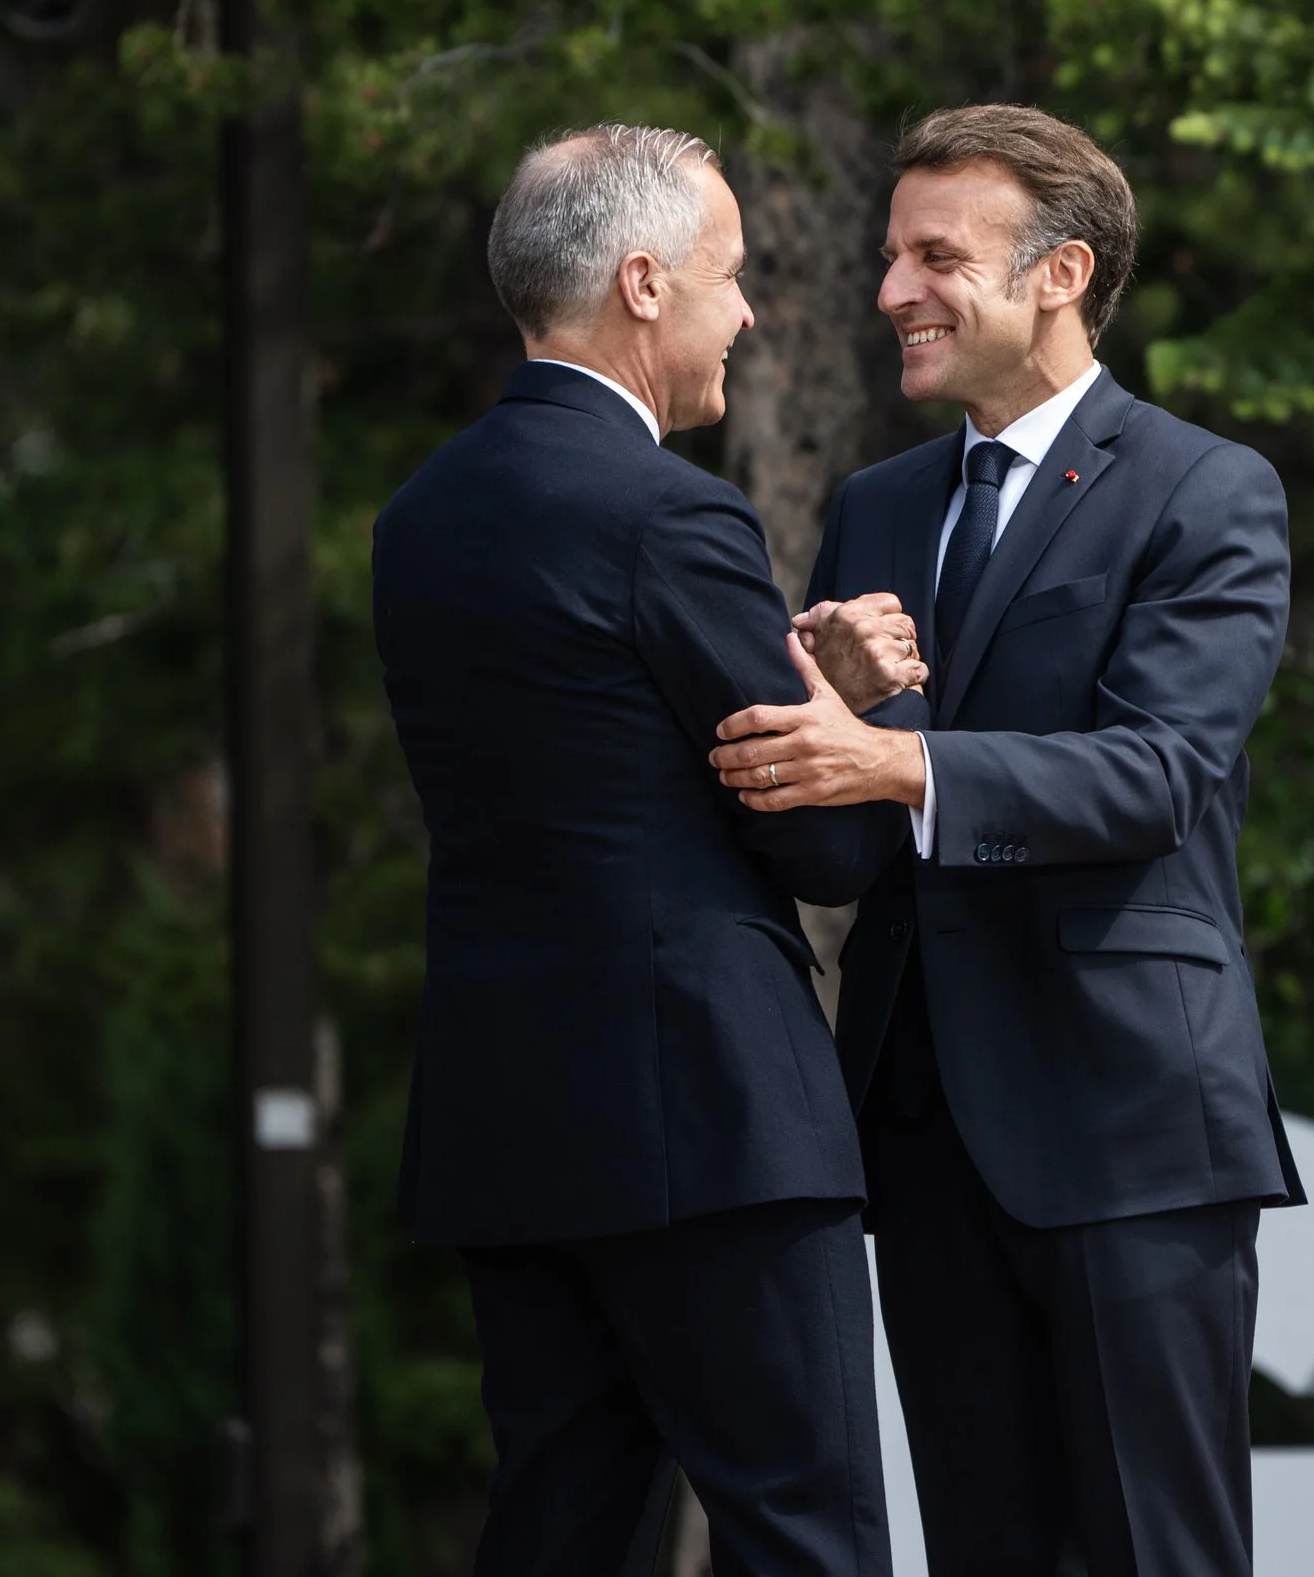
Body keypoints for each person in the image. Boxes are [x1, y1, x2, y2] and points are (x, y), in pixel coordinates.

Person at [708, 104, 1304, 1577]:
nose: (892, 290)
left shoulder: (1204, 489)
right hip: (922, 1132)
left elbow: (1155, 776)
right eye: (889, 255)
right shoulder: (875, 507)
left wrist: (894, 756)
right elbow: (844, 844)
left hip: (1131, 1130)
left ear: (1061, 272)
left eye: (934, 255)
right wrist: (829, 714)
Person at [372, 124, 917, 1577]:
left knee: (558, 1530)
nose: (747, 311)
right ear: (643, 285)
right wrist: (864, 707)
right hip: (714, 1121)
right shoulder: (670, 514)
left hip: (510, 1122)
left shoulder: (419, 521)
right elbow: (838, 847)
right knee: (806, 1532)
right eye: (729, 276)